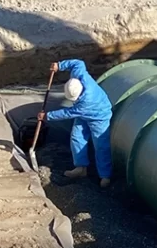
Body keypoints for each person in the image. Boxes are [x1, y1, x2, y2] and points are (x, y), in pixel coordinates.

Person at [37, 59, 113, 187]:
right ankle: (81, 168)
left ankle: (105, 176)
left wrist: (47, 116)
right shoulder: (78, 74)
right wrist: (59, 66)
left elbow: (68, 113)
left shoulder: (85, 101)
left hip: (99, 116)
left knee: (101, 145)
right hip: (83, 114)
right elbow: (78, 63)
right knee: (77, 137)